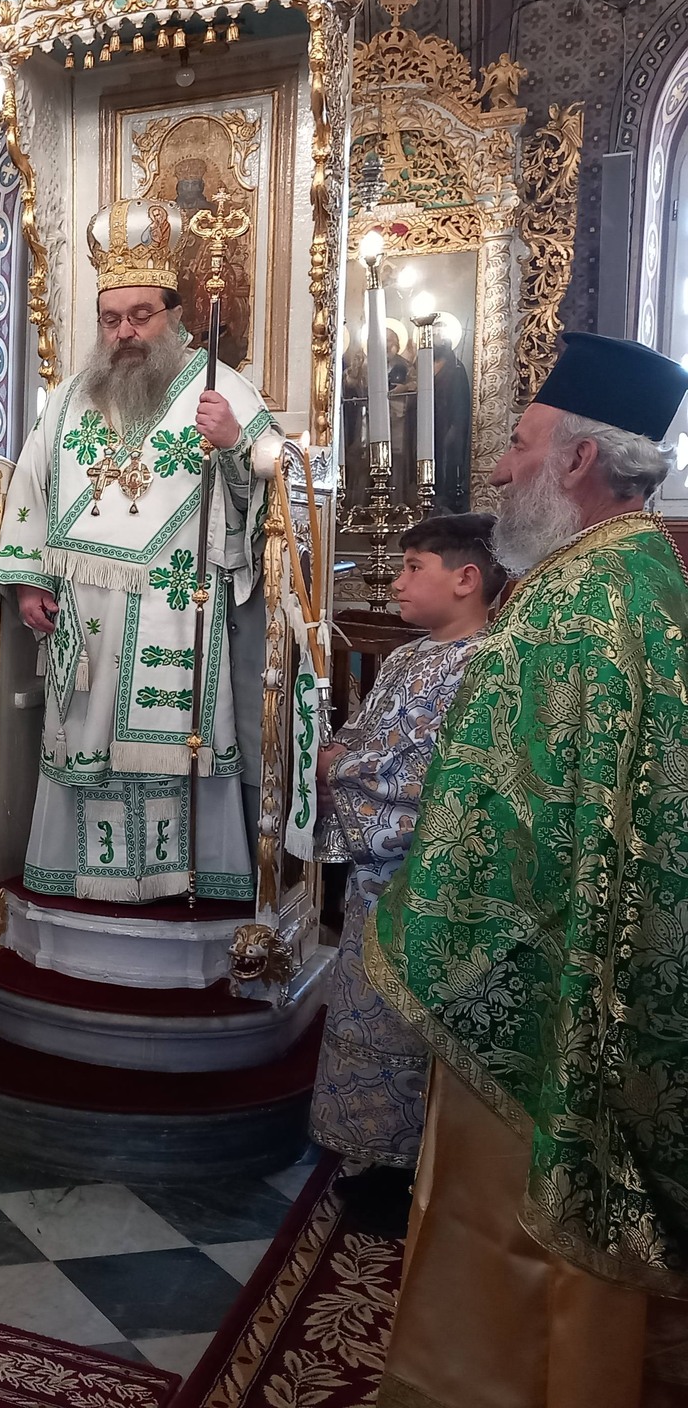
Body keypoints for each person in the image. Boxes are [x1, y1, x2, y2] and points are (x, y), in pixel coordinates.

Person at [370, 332, 688, 1408]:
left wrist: (435, 922)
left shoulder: (578, 604)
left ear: (579, 460)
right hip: (579, 950)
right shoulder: (637, 577)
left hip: (534, 976)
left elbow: (501, 808)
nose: (500, 470)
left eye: (518, 445)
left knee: (507, 1206)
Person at [0, 200, 273, 902]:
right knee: (85, 736)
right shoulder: (70, 399)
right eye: (111, 319)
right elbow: (29, 484)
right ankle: (83, 878)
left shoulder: (220, 389)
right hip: (83, 614)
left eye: (141, 316)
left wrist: (235, 443)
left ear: (174, 315)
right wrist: (29, 581)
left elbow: (274, 495)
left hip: (179, 608)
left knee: (176, 738)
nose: (124, 332)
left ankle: (184, 880)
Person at [308, 512, 504, 1235]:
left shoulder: (487, 665)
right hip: (374, 882)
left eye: (414, 566)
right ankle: (372, 1152)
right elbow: (364, 735)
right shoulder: (405, 657)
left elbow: (441, 777)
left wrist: (340, 769)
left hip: (426, 884)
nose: (396, 581)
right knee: (365, 1009)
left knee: (409, 1024)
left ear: (466, 578)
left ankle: (410, 1168)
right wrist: (334, 755)